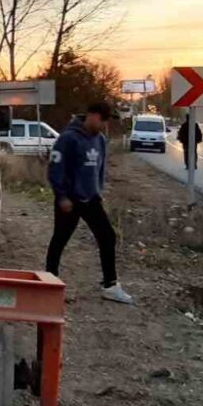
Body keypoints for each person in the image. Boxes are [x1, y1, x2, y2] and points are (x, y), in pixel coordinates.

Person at [45, 102, 134, 304]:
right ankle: (49, 281)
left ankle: (110, 285)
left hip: (91, 199)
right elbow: (55, 169)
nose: (104, 124)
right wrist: (61, 196)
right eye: (103, 120)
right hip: (70, 199)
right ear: (92, 116)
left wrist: (99, 191)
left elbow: (100, 169)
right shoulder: (68, 139)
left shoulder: (101, 140)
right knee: (60, 239)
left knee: (107, 236)